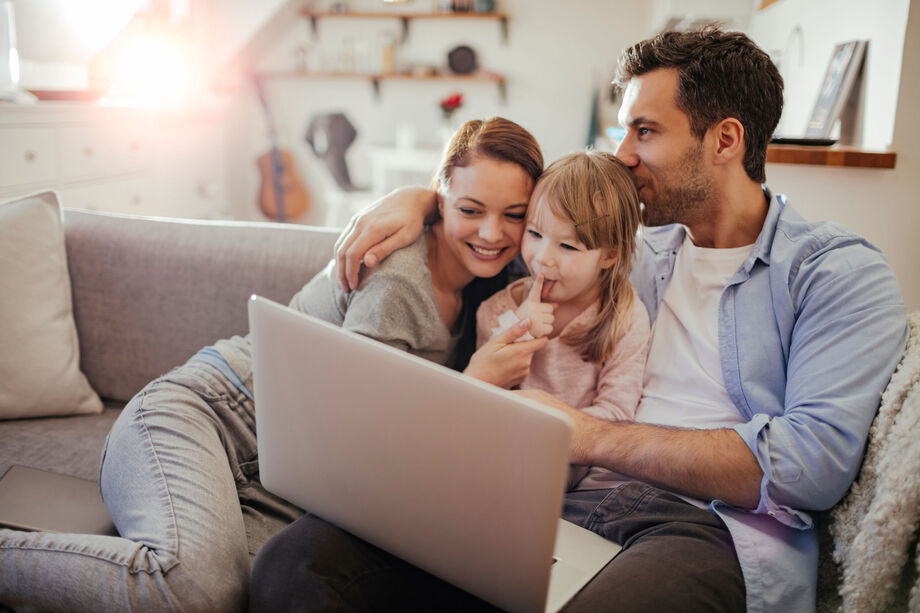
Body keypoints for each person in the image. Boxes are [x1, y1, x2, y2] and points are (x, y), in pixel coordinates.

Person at [252, 27, 908, 612]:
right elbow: (514, 234)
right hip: (542, 492)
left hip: (697, 526)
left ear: (725, 141)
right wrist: (425, 199)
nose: (622, 153)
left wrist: (588, 436)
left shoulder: (834, 274)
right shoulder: (628, 251)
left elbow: (811, 465)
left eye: (644, 131)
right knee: (297, 563)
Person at [0, 117, 546, 612]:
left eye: (514, 215)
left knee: (247, 592)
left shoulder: (500, 281)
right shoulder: (398, 278)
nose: (493, 233)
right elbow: (361, 439)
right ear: (441, 196)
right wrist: (475, 387)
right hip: (208, 413)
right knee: (198, 590)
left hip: (281, 480)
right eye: (470, 210)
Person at [473, 151, 649, 489]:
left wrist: (546, 435)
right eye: (535, 234)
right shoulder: (496, 311)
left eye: (568, 246)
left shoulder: (625, 318)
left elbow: (616, 417)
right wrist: (518, 332)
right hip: (500, 470)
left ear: (610, 254)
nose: (542, 259)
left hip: (576, 483)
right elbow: (482, 405)